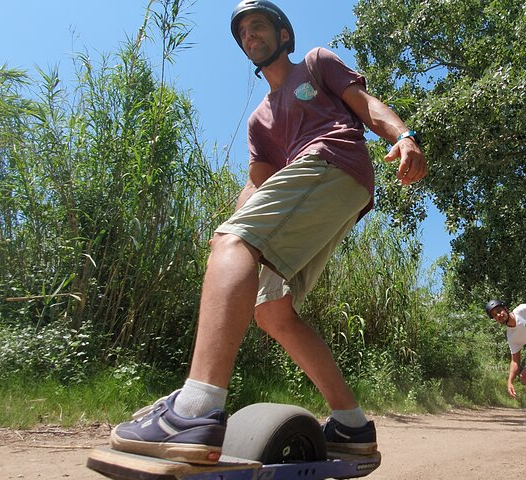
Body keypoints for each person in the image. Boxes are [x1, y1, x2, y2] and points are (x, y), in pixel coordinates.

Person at [109, 0, 427, 465]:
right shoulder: (260, 119)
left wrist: (401, 135)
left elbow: (366, 106)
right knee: (273, 313)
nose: (249, 36)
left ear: (283, 35)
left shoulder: (316, 64)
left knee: (234, 244)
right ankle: (352, 425)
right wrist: (230, 235)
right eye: (242, 34)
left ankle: (193, 412)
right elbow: (258, 182)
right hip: (327, 189)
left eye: (258, 26)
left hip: (333, 160)